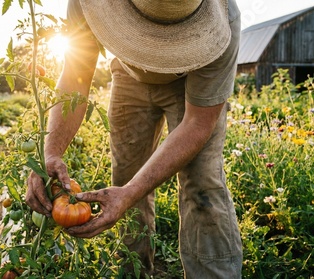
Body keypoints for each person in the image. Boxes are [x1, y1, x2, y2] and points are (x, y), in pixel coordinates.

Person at [26, 0, 243, 277]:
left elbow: (197, 123)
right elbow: (75, 77)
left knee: (202, 184)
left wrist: (130, 193)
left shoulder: (223, 25)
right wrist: (51, 152)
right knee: (126, 177)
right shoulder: (88, 3)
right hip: (128, 74)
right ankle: (133, 271)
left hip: (189, 80)